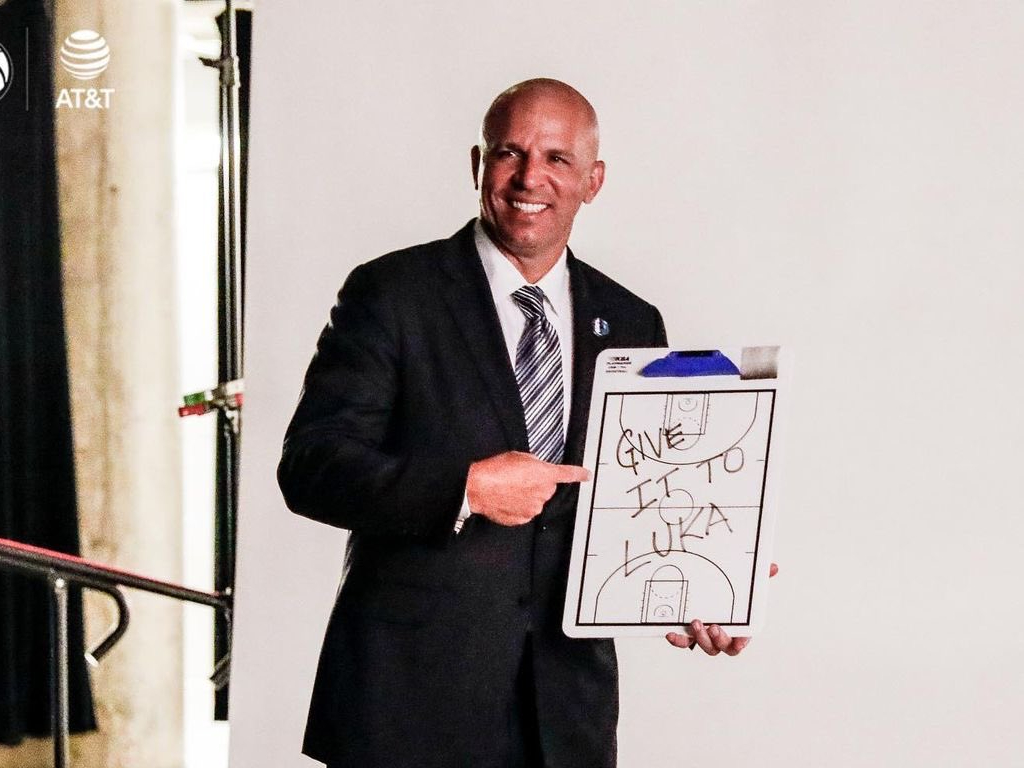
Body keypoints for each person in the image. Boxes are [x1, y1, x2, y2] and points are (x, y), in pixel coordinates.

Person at [278, 78, 768, 768]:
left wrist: (700, 582)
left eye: (557, 159)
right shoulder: (392, 293)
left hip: (565, 711)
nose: (530, 177)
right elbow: (312, 466)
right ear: (480, 166)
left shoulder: (632, 322)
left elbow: (641, 498)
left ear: (593, 181)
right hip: (409, 704)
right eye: (510, 153)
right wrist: (467, 489)